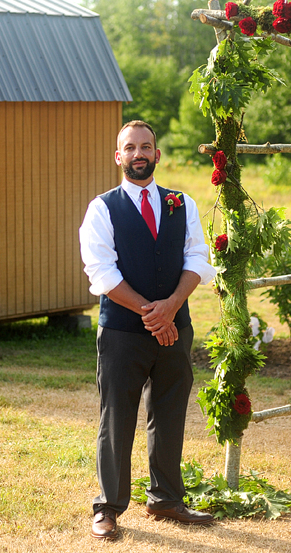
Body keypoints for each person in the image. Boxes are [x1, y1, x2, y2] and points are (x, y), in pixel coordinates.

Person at [79, 120, 217, 539]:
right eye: (130, 148)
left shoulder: (183, 203)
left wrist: (172, 307)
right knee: (116, 417)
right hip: (122, 333)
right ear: (118, 156)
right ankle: (107, 507)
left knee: (171, 413)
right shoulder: (102, 208)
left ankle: (166, 499)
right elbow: (101, 271)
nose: (139, 154)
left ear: (157, 154)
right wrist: (150, 313)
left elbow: (198, 258)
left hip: (177, 328)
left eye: (146, 147)